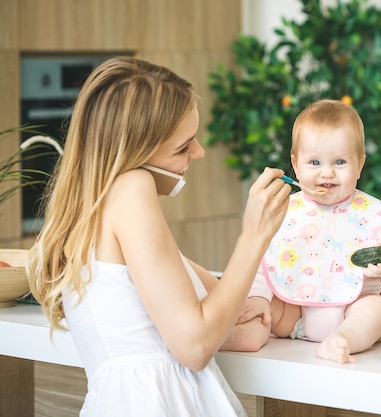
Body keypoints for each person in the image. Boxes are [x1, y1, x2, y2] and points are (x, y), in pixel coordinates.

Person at [26, 56, 291, 417]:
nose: (197, 152)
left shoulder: (94, 214)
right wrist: (255, 236)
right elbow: (195, 345)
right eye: (183, 147)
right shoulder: (132, 187)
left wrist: (243, 321)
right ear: (136, 155)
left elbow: (227, 310)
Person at [221, 99, 381, 364]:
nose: (327, 172)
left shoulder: (369, 211)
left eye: (340, 161)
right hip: (293, 312)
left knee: (379, 310)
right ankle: (239, 336)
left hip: (351, 308)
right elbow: (266, 260)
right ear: (295, 165)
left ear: (360, 164)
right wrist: (261, 298)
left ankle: (343, 339)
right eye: (314, 162)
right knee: (260, 310)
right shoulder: (286, 209)